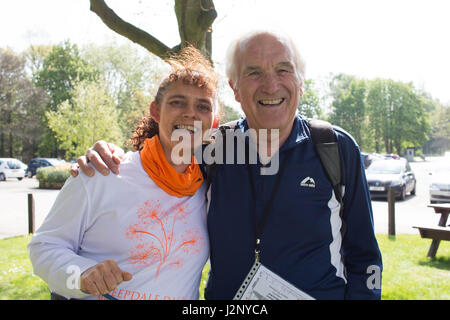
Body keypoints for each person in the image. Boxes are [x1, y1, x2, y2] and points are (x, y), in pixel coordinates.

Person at [73, 30, 383, 300]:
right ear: (234, 88)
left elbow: (365, 256)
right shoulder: (212, 147)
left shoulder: (334, 146)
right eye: (254, 72)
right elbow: (155, 164)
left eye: (283, 69)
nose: (271, 85)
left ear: (300, 82)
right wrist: (107, 156)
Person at [28, 46, 218, 300]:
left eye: (203, 106)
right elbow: (44, 247)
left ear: (213, 123)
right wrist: (82, 274)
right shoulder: (102, 173)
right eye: (177, 102)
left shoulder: (209, 188)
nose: (190, 113)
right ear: (155, 111)